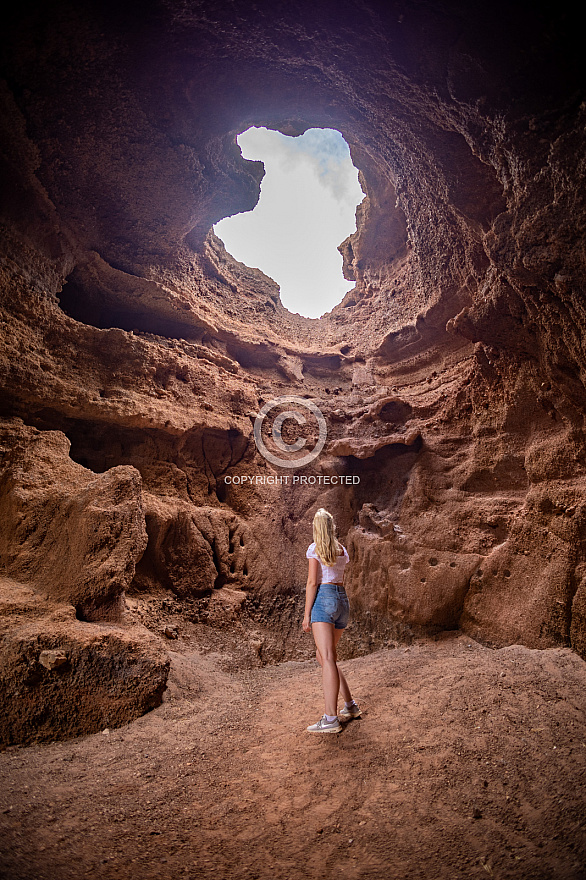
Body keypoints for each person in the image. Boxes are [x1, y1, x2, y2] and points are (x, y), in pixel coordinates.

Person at [302, 507, 361, 733]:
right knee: (327, 656)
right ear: (332, 527)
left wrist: (307, 615)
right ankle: (350, 705)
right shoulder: (341, 549)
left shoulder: (315, 548)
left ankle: (330, 719)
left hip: (324, 599)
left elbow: (312, 583)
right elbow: (339, 576)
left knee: (326, 657)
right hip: (342, 600)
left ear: (317, 528)